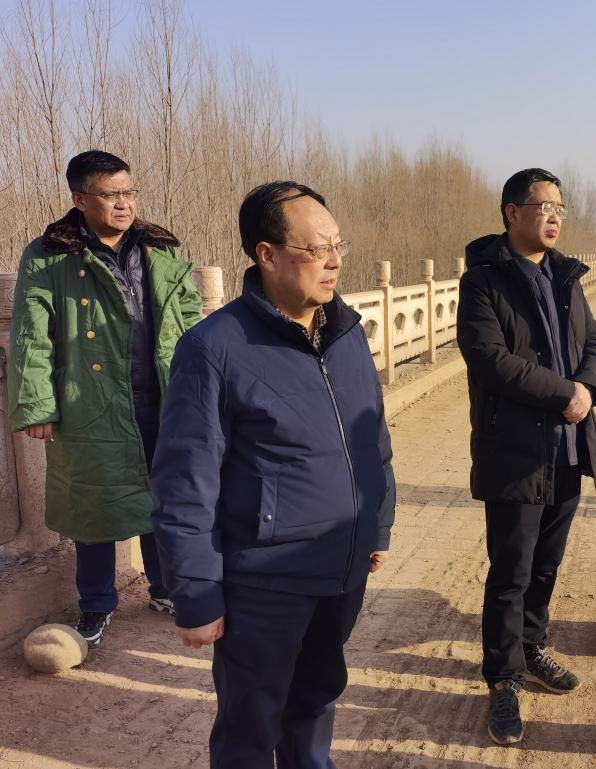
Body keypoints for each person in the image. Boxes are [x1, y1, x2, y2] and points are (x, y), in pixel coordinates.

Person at [150, 181, 395, 769]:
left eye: (338, 245)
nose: (334, 261)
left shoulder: (345, 332)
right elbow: (185, 482)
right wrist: (196, 594)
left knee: (316, 701)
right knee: (251, 724)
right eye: (317, 248)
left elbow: (373, 438)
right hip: (265, 581)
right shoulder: (214, 348)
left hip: (340, 568)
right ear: (267, 254)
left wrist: (377, 523)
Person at [7, 150, 203, 647]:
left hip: (162, 392)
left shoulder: (158, 247)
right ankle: (96, 603)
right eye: (110, 194)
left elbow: (189, 317)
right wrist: (38, 405)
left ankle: (166, 589)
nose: (124, 204)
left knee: (165, 494)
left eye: (128, 192)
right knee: (92, 505)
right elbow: (31, 334)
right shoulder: (50, 255)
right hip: (90, 399)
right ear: (80, 199)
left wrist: (202, 387)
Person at [456, 168, 596, 745]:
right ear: (511, 213)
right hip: (516, 452)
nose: (554, 216)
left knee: (547, 564)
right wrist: (564, 393)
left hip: (567, 447)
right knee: (511, 573)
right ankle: (503, 678)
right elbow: (492, 361)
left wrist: (587, 388)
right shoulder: (484, 282)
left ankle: (533, 647)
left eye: (560, 207)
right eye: (544, 206)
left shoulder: (564, 275)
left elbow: (594, 340)